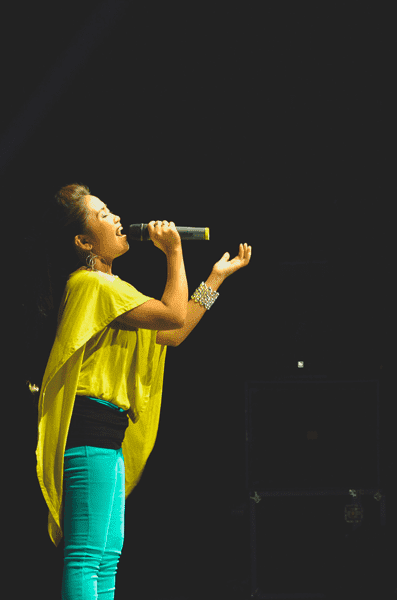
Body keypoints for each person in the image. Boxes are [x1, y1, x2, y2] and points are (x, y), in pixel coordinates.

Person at [34, 183, 251, 599]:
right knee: (85, 555)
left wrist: (214, 279)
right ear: (83, 241)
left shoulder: (116, 290)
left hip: (107, 434)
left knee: (107, 556)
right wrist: (173, 252)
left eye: (110, 209)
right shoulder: (91, 286)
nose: (116, 218)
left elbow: (174, 331)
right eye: (102, 215)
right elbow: (172, 313)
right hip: (88, 432)